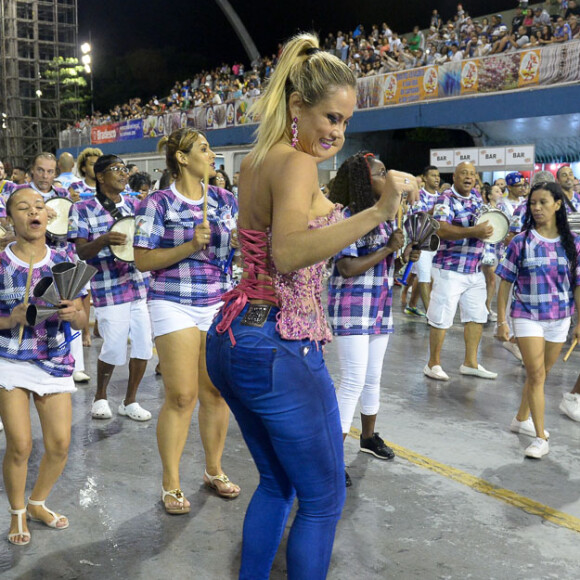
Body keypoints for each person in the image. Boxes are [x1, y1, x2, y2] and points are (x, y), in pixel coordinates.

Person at [204, 33, 418, 580]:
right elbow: (290, 250)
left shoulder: (257, 160)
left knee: (277, 484)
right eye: (330, 116)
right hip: (281, 343)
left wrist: (374, 198)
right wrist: (377, 214)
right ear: (297, 104)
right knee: (323, 502)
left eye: (345, 122)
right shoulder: (295, 164)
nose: (338, 132)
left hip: (234, 336)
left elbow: (307, 223)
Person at [133, 128, 241, 514]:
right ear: (182, 158)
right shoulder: (157, 203)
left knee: (215, 392)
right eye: (204, 149)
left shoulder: (227, 201)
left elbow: (240, 246)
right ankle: (172, 483)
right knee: (182, 396)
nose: (212, 155)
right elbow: (142, 260)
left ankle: (213, 470)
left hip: (218, 302)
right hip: (172, 301)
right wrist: (189, 246)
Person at [0, 187, 87, 545]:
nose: (33, 212)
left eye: (39, 206)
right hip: (9, 358)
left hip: (53, 357)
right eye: (23, 207)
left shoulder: (65, 259)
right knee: (20, 445)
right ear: (10, 218)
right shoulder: (2, 262)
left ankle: (37, 502)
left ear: (48, 216)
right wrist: (10, 319)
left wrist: (74, 313)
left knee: (60, 445)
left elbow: (83, 320)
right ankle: (17, 511)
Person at [328, 152, 420, 487]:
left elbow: (387, 270)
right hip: (351, 308)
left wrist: (403, 256)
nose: (388, 178)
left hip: (379, 307)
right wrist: (386, 249)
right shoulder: (349, 217)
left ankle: (367, 439)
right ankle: (332, 460)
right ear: (364, 182)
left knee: (372, 378)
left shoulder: (385, 218)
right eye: (381, 173)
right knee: (352, 381)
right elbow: (347, 267)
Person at [496, 182, 580, 458]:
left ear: (558, 204)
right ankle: (541, 437)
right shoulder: (521, 241)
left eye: (543, 202)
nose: (537, 207)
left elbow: (578, 285)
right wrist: (501, 321)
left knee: (540, 375)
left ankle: (521, 419)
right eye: (533, 203)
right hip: (527, 315)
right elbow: (505, 283)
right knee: (536, 374)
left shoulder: (574, 244)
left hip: (561, 318)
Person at [68, 155, 153, 422]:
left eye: (125, 169)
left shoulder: (137, 205)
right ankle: (100, 397)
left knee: (143, 347)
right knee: (114, 346)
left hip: (138, 283)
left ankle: (130, 400)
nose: (123, 173)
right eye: (116, 169)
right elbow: (81, 251)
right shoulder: (82, 209)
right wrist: (104, 240)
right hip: (108, 286)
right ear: (101, 176)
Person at [424, 162, 497, 381]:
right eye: (464, 173)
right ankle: (433, 363)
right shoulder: (445, 199)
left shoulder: (476, 197)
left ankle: (470, 363)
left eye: (472, 174)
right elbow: (442, 228)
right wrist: (475, 231)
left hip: (474, 269)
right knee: (441, 318)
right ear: (454, 177)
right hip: (450, 269)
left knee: (477, 316)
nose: (469, 177)